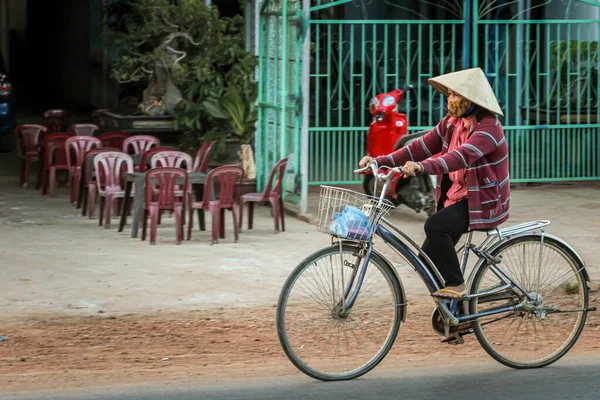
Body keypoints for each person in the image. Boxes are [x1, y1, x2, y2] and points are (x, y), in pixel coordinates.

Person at [359, 67, 510, 300]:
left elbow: (460, 156)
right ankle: (456, 315)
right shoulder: (452, 122)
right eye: (448, 94)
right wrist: (381, 161)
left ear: (471, 99)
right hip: (457, 196)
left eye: (455, 95)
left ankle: (457, 285)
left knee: (435, 226)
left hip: (483, 200)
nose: (449, 99)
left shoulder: (489, 127)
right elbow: (420, 146)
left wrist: (423, 166)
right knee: (427, 259)